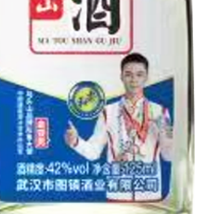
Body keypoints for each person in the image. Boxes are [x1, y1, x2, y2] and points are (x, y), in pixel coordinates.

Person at [64, 53, 173, 201]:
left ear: (146, 77)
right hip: (117, 195)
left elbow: (168, 155)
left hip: (150, 193)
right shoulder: (107, 112)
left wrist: (163, 131)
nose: (134, 80)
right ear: (121, 76)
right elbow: (94, 151)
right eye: (128, 74)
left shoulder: (160, 112)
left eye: (139, 74)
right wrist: (76, 141)